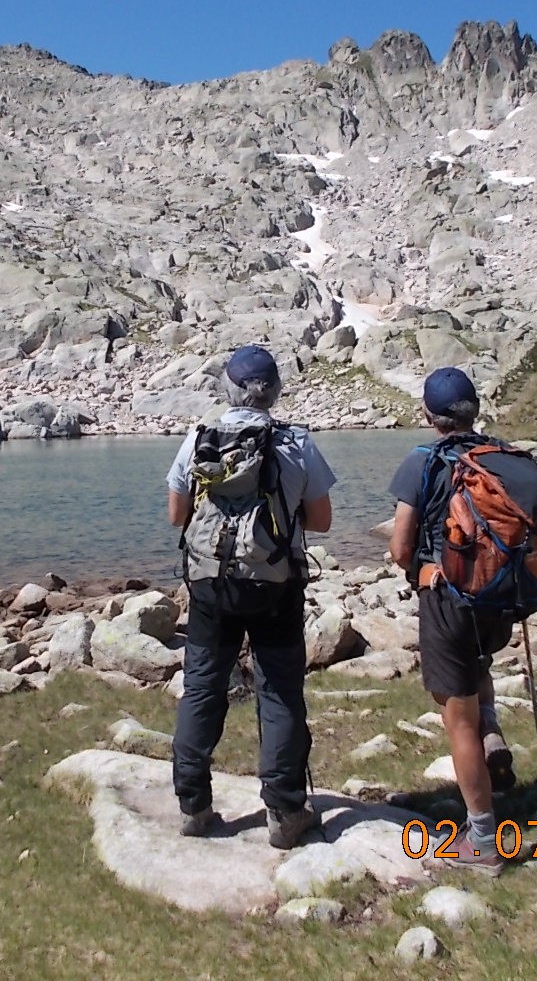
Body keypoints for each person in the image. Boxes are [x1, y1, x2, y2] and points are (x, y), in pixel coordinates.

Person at [166, 344, 336, 849]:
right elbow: (322, 521)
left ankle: (193, 806)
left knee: (202, 687)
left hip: (210, 584)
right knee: (279, 690)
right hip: (276, 584)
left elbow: (176, 516)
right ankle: (285, 813)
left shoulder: (199, 438)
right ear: (274, 391)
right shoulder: (296, 441)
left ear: (227, 388)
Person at [387, 366, 524, 876]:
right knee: (478, 666)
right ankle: (492, 734)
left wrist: (419, 570)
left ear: (429, 414)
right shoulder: (504, 457)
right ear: (475, 410)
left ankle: (482, 841)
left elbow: (401, 546)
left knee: (456, 714)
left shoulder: (422, 461)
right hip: (500, 598)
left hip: (447, 599)